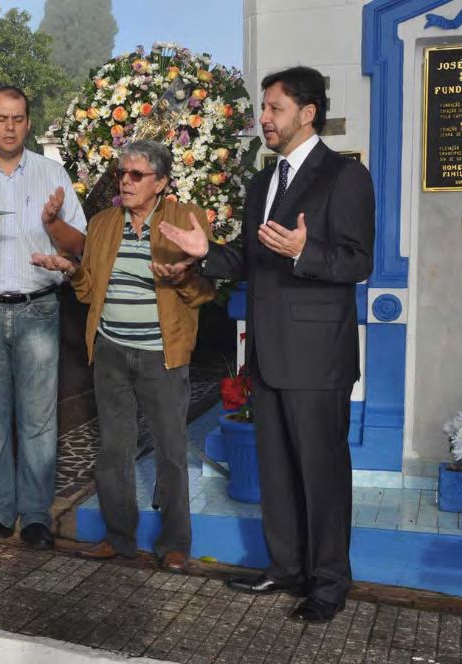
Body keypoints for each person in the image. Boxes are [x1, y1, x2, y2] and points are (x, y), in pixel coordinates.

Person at [159, 66, 375, 622]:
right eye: (263, 107)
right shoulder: (262, 183)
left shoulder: (344, 177)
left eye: (274, 108)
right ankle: (286, 567)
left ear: (308, 112)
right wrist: (205, 251)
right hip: (268, 353)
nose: (264, 117)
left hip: (317, 357)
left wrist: (307, 252)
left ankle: (328, 581)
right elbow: (253, 260)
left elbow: (358, 260)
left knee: (322, 471)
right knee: (276, 467)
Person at [31, 140, 214, 572]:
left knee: (170, 450)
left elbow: (204, 292)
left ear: (161, 182)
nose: (125, 182)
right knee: (114, 449)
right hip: (111, 350)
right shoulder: (102, 224)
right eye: (121, 174)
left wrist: (181, 276)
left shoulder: (186, 221)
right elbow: (91, 290)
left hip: (162, 354)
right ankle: (118, 537)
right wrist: (71, 271)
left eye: (136, 175)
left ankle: (174, 543)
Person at [0, 85, 87, 549]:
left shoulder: (53, 175)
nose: (9, 126)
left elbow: (80, 244)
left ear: (28, 122)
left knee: (39, 421)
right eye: (1, 118)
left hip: (38, 309)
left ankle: (37, 516)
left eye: (18, 118)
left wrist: (53, 226)